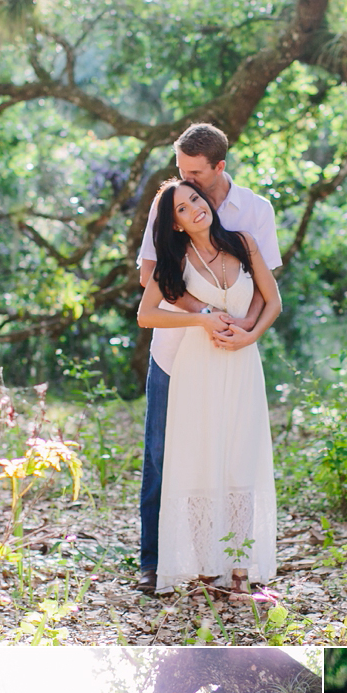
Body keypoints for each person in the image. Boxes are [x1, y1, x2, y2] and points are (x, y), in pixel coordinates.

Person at [134, 122, 282, 595]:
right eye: (181, 173)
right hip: (175, 354)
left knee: (232, 456)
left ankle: (230, 563)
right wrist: (203, 314)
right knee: (163, 458)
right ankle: (156, 562)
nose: (188, 183)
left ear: (220, 166)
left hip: (233, 354)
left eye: (195, 174)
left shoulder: (254, 212)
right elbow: (150, 280)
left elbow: (263, 290)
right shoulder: (169, 202)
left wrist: (244, 330)